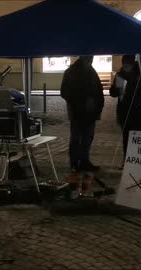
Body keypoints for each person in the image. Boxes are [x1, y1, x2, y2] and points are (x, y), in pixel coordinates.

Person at [60, 56, 104, 193]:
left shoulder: (91, 70)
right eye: (90, 59)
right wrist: (81, 102)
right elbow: (65, 92)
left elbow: (98, 90)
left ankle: (84, 161)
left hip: (90, 113)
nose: (91, 61)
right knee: (77, 137)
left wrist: (97, 106)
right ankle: (75, 163)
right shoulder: (71, 72)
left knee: (87, 137)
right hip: (78, 112)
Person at [110, 55, 141, 165]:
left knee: (137, 137)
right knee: (126, 137)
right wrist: (118, 91)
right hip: (124, 111)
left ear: (132, 64)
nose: (125, 67)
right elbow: (112, 93)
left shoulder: (139, 75)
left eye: (128, 65)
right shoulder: (119, 75)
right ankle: (127, 159)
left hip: (137, 111)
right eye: (124, 65)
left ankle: (136, 159)